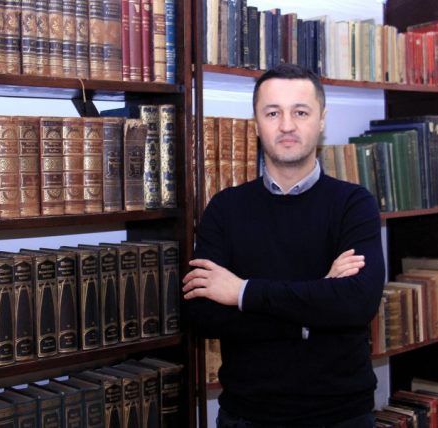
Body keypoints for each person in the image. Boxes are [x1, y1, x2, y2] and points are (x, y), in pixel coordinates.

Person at [183, 63, 385, 427]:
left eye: (301, 112)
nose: (287, 125)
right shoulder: (225, 209)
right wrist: (316, 304)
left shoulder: (354, 204)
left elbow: (358, 303)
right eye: (273, 113)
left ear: (321, 120)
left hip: (341, 416)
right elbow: (201, 314)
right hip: (247, 416)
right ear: (256, 124)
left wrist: (242, 292)